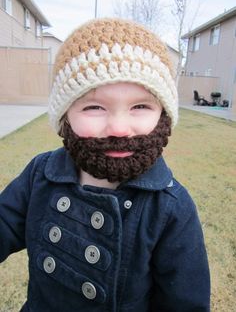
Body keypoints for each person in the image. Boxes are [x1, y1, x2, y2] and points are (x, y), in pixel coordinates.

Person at [0, 18, 210, 311]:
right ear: (65, 116)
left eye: (140, 106)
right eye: (94, 107)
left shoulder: (170, 206)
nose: (119, 128)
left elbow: (185, 301)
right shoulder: (41, 174)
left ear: (162, 114)